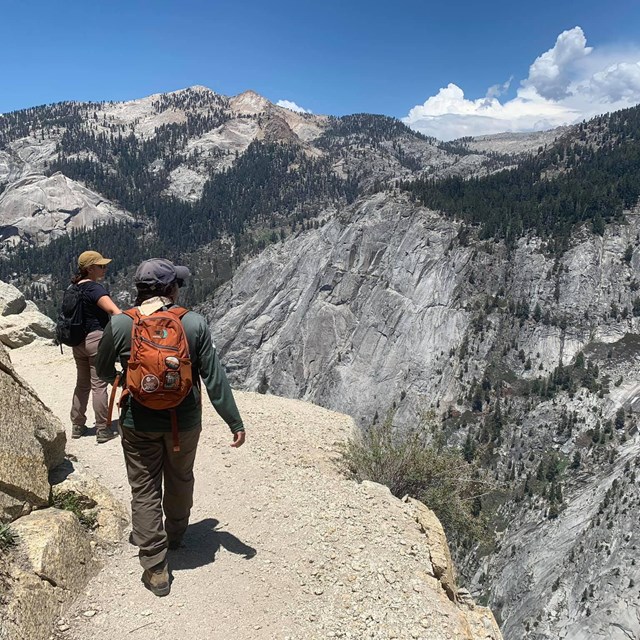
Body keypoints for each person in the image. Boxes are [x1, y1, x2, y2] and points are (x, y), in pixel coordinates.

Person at [95, 258, 245, 597]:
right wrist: (233, 421)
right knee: (180, 476)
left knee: (144, 486)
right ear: (172, 289)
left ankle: (156, 568)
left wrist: (133, 379)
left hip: (137, 421)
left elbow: (103, 371)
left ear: (138, 289)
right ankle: (176, 535)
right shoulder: (193, 324)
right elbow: (214, 378)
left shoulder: (120, 324)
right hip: (185, 420)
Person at [70, 250, 121, 444]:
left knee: (82, 384)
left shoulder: (72, 288)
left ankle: (77, 425)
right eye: (101, 266)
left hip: (77, 342)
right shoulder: (95, 289)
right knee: (99, 384)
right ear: (90, 269)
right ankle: (102, 429)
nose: (105, 268)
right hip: (95, 340)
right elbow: (114, 312)